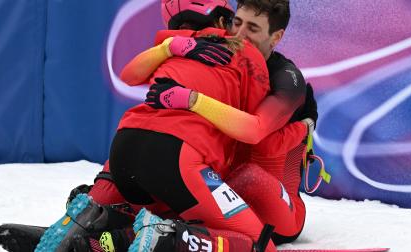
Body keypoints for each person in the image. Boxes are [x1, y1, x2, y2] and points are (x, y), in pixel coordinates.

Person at [33, 1, 279, 251]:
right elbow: (251, 132)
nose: (238, 31)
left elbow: (128, 75)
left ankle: (90, 220)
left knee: (167, 207)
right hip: (178, 156)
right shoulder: (246, 52)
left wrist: (168, 47)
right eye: (234, 23)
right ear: (221, 21)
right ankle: (166, 236)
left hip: (125, 146)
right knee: (260, 245)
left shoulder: (172, 44)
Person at [128, 0, 316, 245]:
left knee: (244, 175)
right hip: (226, 188)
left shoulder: (285, 79)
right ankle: (107, 222)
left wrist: (194, 100)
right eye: (236, 23)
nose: (239, 34)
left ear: (276, 37)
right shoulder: (221, 53)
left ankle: (170, 237)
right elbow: (131, 76)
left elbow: (259, 141)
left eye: (253, 28)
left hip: (277, 213)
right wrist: (168, 47)